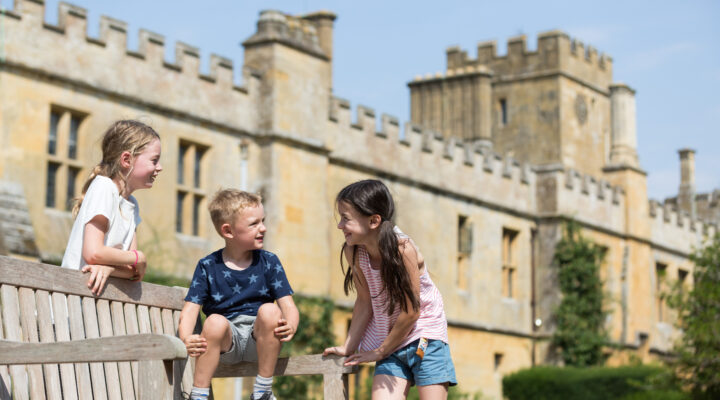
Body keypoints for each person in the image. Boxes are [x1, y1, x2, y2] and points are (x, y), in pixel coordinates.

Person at [323, 179, 457, 399]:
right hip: (391, 339)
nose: (340, 226)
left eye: (345, 218)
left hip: (425, 336)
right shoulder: (354, 251)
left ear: (374, 220)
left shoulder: (403, 250)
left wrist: (381, 350)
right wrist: (349, 346)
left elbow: (411, 311)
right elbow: (364, 302)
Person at [178, 189, 299, 400]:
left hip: (260, 340)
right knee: (214, 321)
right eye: (254, 224)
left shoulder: (269, 262)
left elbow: (288, 306)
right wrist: (186, 338)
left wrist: (291, 325)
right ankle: (198, 395)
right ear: (228, 231)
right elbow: (190, 310)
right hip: (226, 345)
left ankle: (262, 391)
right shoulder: (208, 266)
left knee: (271, 310)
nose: (263, 228)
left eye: (263, 220)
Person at [61, 120, 162, 295]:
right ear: (126, 160)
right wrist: (139, 257)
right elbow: (93, 252)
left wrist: (109, 269)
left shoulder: (131, 204)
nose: (159, 168)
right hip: (69, 305)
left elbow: (133, 271)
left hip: (90, 308)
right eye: (154, 160)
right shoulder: (104, 187)